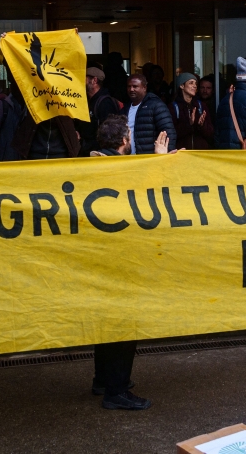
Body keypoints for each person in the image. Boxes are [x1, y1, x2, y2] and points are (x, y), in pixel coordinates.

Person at [87, 115, 168, 411]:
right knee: (124, 323)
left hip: (98, 256)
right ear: (124, 141)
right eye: (129, 135)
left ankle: (103, 379)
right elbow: (146, 198)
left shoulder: (90, 167)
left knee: (106, 320)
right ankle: (116, 390)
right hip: (120, 257)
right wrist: (160, 163)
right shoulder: (120, 169)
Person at [126, 74, 176, 154]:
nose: (131, 89)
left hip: (150, 159)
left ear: (144, 88)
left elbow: (168, 133)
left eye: (135, 86)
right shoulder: (125, 108)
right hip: (129, 160)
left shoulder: (156, 105)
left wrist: (166, 156)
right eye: (129, 86)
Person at [79, 67, 122, 154]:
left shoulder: (105, 103)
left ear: (94, 80)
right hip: (89, 151)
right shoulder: (88, 100)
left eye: (84, 78)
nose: (81, 81)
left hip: (99, 153)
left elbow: (108, 134)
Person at [171, 72, 214, 150]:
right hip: (182, 155)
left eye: (195, 83)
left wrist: (202, 125)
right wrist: (189, 124)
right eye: (191, 83)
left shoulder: (201, 106)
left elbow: (211, 133)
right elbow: (171, 134)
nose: (194, 86)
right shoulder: (173, 107)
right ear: (181, 85)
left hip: (200, 155)